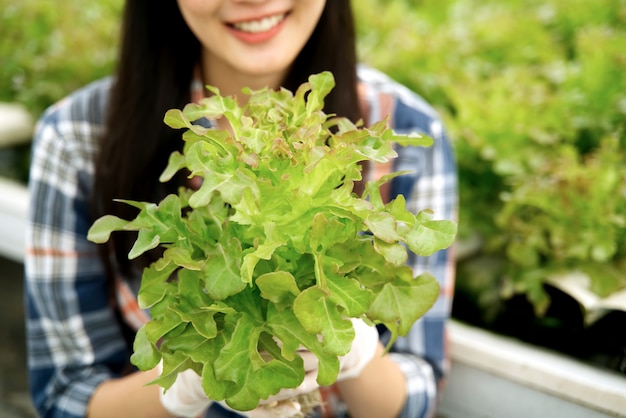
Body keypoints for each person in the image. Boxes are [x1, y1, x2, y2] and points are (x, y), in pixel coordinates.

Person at [24, 1, 457, 417]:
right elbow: (66, 395)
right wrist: (182, 390)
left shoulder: (404, 130)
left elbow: (416, 392)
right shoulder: (77, 137)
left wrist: (359, 357)